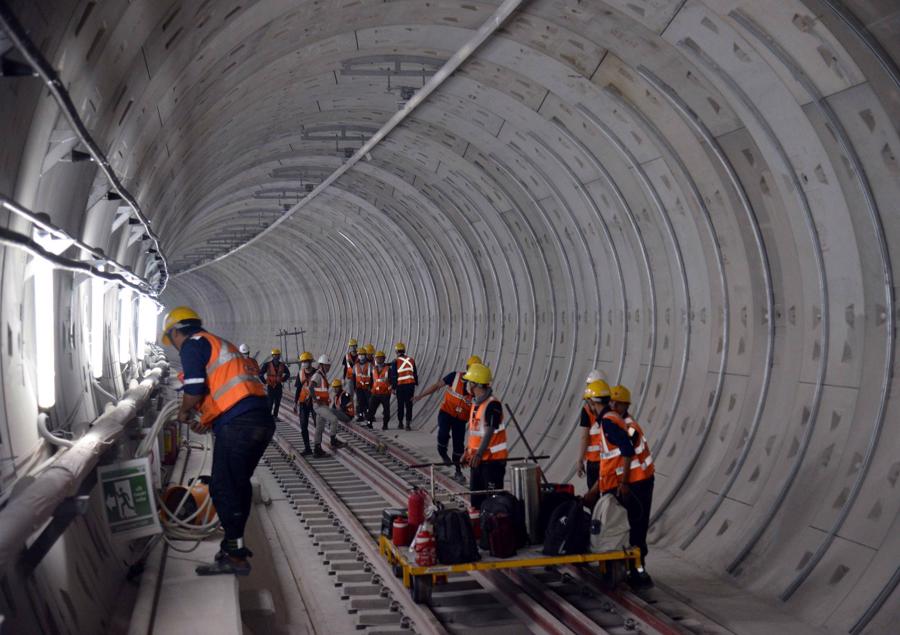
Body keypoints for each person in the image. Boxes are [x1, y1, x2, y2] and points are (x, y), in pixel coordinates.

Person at [161, 306, 272, 576]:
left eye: (172, 339)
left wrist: (185, 411)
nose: (175, 346)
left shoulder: (192, 344)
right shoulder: (219, 343)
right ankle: (234, 546)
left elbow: (195, 387)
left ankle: (234, 556)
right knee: (236, 484)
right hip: (259, 420)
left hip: (238, 424)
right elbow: (227, 392)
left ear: (176, 331)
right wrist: (207, 419)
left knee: (222, 487)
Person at [583, 385, 655, 589]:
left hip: (638, 482)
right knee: (627, 526)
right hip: (630, 482)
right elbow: (611, 462)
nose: (613, 406)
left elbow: (627, 452)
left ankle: (639, 573)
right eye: (612, 403)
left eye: (617, 403)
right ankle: (629, 569)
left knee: (637, 529)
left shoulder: (624, 426)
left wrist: (621, 484)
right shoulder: (616, 422)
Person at [414, 355, 481, 483]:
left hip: (460, 420)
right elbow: (437, 385)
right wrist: (421, 395)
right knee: (443, 434)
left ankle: (458, 471)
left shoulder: (478, 390)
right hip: (446, 412)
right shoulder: (455, 377)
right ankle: (443, 453)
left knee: (458, 446)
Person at [459, 363, 507, 510]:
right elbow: (475, 434)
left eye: (469, 382)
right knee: (476, 503)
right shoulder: (476, 404)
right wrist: (467, 452)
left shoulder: (493, 405)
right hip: (477, 462)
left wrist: (479, 454)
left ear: (475, 384)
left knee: (492, 504)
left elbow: (489, 431)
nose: (467, 385)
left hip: (492, 463)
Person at [577, 378, 611, 491]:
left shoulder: (607, 420)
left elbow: (584, 437)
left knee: (596, 498)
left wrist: (580, 460)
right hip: (607, 463)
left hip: (598, 463)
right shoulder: (614, 414)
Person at [311, 357, 344, 456]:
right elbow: (310, 387)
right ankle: (333, 441)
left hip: (323, 404)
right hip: (319, 405)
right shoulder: (318, 375)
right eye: (327, 365)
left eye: (329, 366)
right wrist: (316, 400)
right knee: (334, 419)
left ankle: (317, 450)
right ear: (321, 365)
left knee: (319, 428)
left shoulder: (322, 375)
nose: (328, 367)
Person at [292, 351, 317, 454]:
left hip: (314, 402)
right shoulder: (300, 373)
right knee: (303, 425)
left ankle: (317, 447)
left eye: (306, 361)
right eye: (303, 362)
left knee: (317, 425)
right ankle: (307, 448)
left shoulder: (317, 373)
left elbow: (319, 387)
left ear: (310, 362)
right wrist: (295, 403)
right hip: (303, 403)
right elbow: (298, 389)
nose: (304, 363)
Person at [390, 342, 418, 430]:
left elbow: (394, 376)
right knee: (409, 404)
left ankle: (400, 423)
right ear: (404, 350)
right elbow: (415, 373)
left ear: (396, 351)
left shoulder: (395, 361)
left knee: (400, 405)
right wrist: (415, 382)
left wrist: (393, 388)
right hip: (410, 386)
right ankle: (408, 424)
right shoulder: (411, 360)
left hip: (400, 386)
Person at [259, 348, 289, 420]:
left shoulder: (282, 365)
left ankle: (275, 416)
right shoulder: (267, 365)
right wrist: (264, 381)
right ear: (272, 356)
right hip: (270, 386)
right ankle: (268, 417)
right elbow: (260, 374)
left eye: (277, 355)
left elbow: (288, 373)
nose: (276, 357)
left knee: (277, 402)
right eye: (275, 355)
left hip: (278, 386)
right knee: (270, 402)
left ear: (279, 356)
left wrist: (283, 379)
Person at [352, 345, 373, 422]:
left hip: (367, 387)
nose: (361, 356)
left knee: (368, 402)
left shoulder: (370, 365)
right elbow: (354, 378)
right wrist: (354, 387)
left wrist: (371, 387)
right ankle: (360, 416)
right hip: (359, 387)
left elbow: (373, 377)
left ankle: (368, 416)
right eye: (359, 354)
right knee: (360, 402)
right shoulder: (355, 366)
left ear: (365, 355)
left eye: (362, 354)